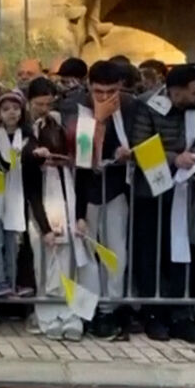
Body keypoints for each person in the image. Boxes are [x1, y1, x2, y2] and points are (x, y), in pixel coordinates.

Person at [130, 64, 195, 344]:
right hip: (153, 189)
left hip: (189, 187)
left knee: (183, 253)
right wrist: (174, 159)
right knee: (151, 253)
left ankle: (181, 315)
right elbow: (140, 144)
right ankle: (154, 314)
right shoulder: (147, 105)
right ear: (176, 92)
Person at [64, 61, 137, 339]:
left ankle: (110, 308)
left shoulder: (131, 107)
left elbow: (141, 138)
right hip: (84, 189)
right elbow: (80, 152)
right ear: (89, 87)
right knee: (86, 253)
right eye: (98, 91)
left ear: (120, 87)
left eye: (111, 92)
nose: (105, 97)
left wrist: (128, 153)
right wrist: (99, 119)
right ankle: (88, 309)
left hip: (117, 188)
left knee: (116, 252)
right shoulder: (74, 106)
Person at [22, 78, 95, 342]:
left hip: (67, 200)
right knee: (44, 263)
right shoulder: (26, 132)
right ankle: (47, 314)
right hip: (41, 204)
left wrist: (81, 216)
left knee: (69, 262)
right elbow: (30, 186)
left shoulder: (63, 125)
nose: (44, 109)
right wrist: (44, 228)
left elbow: (83, 173)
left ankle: (71, 314)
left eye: (48, 103)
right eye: (39, 104)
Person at [0, 91, 32, 301]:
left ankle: (12, 280)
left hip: (17, 192)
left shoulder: (28, 136)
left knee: (13, 239)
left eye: (15, 108)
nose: (11, 113)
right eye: (6, 109)